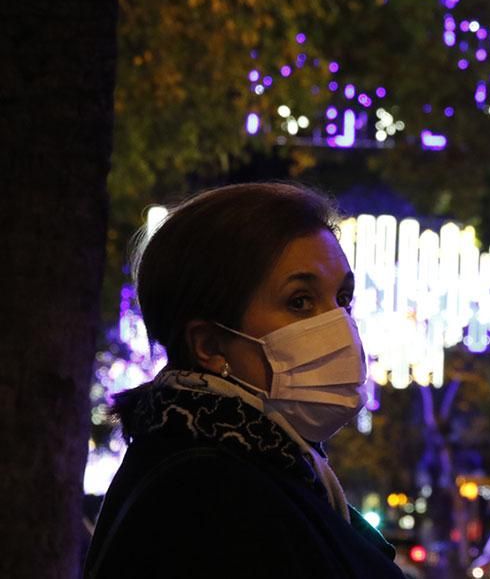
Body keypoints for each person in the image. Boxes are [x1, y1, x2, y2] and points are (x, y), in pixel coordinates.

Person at [84, 182, 406, 579]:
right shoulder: (206, 493)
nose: (339, 325)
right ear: (210, 345)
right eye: (300, 301)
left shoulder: (263, 463)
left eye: (342, 298)